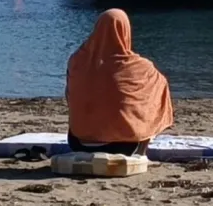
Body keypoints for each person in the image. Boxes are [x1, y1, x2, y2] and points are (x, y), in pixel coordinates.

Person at [65, 9, 174, 155]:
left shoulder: (77, 60)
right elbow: (161, 87)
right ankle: (141, 152)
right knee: (156, 89)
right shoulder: (139, 67)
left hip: (78, 142)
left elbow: (69, 94)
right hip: (123, 146)